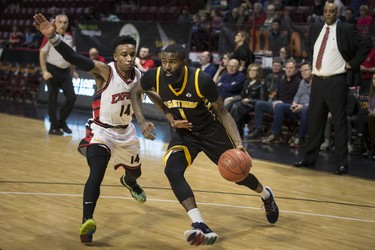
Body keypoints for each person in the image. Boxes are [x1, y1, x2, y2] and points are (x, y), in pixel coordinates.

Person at [130, 44, 279, 246]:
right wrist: (148, 119)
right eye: (164, 61)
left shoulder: (201, 80)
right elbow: (136, 91)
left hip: (211, 131)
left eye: (172, 62)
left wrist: (238, 144)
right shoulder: (154, 76)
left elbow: (223, 113)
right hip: (183, 134)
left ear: (183, 63)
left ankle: (266, 195)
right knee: (172, 170)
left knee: (238, 175)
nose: (166, 66)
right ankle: (199, 224)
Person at [34, 13, 147, 244]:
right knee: (97, 171)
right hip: (101, 131)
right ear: (115, 56)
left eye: (131, 54)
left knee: (135, 172)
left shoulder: (139, 76)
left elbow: (154, 96)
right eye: (123, 54)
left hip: (126, 133)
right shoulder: (104, 71)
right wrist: (54, 38)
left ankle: (130, 181)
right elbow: (74, 57)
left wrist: (163, 117)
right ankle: (87, 222)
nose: (128, 58)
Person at [294, 3, 371, 175]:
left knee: (340, 123)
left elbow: (366, 44)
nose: (328, 14)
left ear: (338, 13)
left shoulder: (346, 28)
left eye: (332, 11)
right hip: (318, 82)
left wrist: (352, 63)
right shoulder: (316, 27)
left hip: (337, 81)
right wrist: (314, 65)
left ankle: (342, 164)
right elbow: (310, 46)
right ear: (323, 13)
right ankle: (309, 159)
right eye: (326, 11)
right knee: (315, 122)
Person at [39, 14, 78, 135]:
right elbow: (42, 54)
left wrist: (73, 70)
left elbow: (71, 56)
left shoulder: (70, 37)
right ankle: (53, 127)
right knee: (52, 100)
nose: (62, 24)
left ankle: (62, 121)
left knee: (72, 97)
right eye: (60, 22)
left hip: (65, 72)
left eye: (65, 22)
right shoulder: (49, 36)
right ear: (55, 23)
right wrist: (44, 71)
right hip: (52, 71)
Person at [262, 62, 312, 147]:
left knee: (305, 109)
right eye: (302, 70)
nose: (303, 72)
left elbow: (316, 100)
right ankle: (275, 135)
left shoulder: (317, 83)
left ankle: (301, 138)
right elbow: (297, 95)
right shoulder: (302, 82)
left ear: (312, 71)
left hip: (309, 108)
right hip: (297, 107)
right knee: (279, 106)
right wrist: (294, 103)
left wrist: (302, 106)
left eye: (306, 70)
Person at [249, 59, 301, 139]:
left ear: (295, 69)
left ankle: (274, 134)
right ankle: (258, 129)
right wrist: (275, 101)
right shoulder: (282, 80)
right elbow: (278, 94)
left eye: (291, 68)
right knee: (259, 103)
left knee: (279, 106)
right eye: (287, 68)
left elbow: (297, 98)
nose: (289, 70)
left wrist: (281, 102)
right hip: (278, 104)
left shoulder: (298, 82)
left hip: (289, 107)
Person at [229, 63, 267, 137]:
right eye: (250, 70)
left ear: (258, 73)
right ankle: (229, 129)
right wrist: (233, 98)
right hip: (244, 103)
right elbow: (242, 95)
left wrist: (249, 100)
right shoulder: (247, 82)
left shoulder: (261, 84)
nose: (251, 72)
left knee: (236, 107)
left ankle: (236, 131)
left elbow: (263, 100)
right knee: (230, 105)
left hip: (254, 105)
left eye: (254, 70)